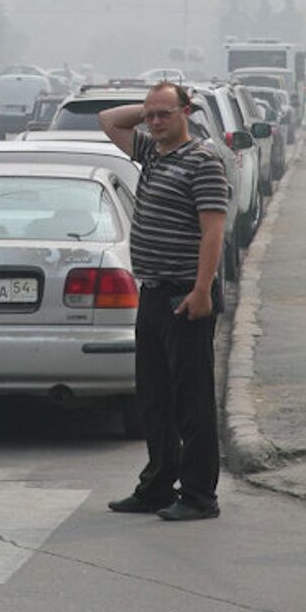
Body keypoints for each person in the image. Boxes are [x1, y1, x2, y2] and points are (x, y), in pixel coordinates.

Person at [98, 81, 228, 522]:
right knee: (153, 397)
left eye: (164, 114)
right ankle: (156, 485)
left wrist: (201, 289)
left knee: (191, 401)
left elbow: (213, 231)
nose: (154, 122)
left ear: (187, 113)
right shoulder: (152, 151)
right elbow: (107, 121)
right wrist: (153, 103)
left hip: (185, 295)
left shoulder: (203, 162)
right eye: (151, 115)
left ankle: (198, 495)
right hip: (152, 292)